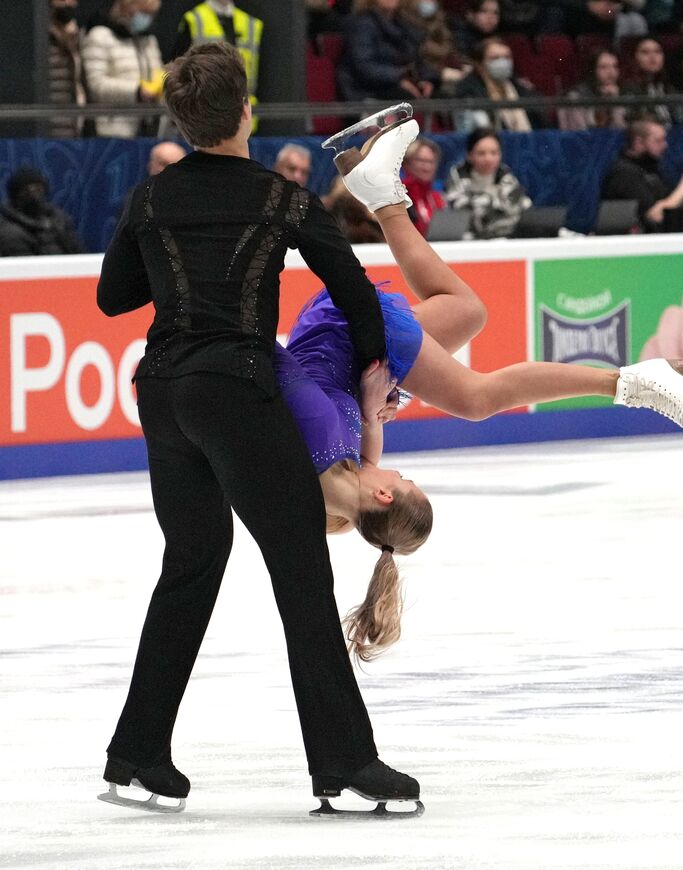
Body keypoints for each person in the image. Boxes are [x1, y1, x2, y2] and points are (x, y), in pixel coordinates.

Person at [94, 42, 418, 817]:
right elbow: (354, 292)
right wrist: (377, 373)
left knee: (194, 560)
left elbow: (113, 297)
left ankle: (136, 755)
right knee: (302, 566)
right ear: (247, 112)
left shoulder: (150, 198)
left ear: (182, 118)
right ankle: (343, 762)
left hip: (163, 392)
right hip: (232, 390)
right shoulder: (282, 199)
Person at [286, 117, 683, 660]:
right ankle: (382, 194)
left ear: (383, 494)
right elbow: (365, 453)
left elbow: (319, 419)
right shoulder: (340, 515)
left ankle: (638, 383)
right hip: (344, 353)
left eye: (405, 479)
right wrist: (372, 412)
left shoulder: (328, 476)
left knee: (477, 399)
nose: (398, 470)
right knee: (467, 313)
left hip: (341, 341)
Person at [81, 0, 164, 138]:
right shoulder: (100, 37)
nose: (147, 19)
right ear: (127, 8)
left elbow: (159, 72)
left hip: (148, 128)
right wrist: (137, 91)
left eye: (151, 14)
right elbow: (95, 85)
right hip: (111, 130)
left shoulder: (148, 40)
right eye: (143, 12)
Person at [602, 119, 683, 231]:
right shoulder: (623, 173)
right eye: (658, 141)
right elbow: (655, 216)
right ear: (639, 143)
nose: (665, 145)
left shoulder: (653, 168)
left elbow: (671, 203)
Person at [173, 0, 265, 121]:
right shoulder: (194, 19)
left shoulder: (252, 24)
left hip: (243, 109)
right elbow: (177, 69)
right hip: (204, 110)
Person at [337, 0, 439, 103]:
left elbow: (416, 58)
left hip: (396, 83)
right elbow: (364, 67)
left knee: (442, 95)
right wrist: (399, 79)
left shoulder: (403, 24)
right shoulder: (362, 24)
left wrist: (425, 79)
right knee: (405, 97)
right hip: (367, 91)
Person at [443, 128, 532, 239]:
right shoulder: (456, 178)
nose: (488, 159)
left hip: (509, 241)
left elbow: (525, 209)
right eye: (481, 153)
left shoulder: (506, 176)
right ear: (469, 155)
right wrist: (502, 210)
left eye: (494, 153)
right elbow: (470, 217)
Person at [455, 37, 548, 131]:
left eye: (507, 57)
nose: (503, 62)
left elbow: (544, 125)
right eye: (495, 58)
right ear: (480, 64)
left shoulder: (522, 89)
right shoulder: (469, 91)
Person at [0, 167, 84, 257]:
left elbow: (81, 255)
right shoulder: (10, 232)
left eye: (38, 189)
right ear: (15, 196)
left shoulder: (60, 221)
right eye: (26, 191)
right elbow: (28, 267)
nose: (34, 196)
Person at [558, 48, 628, 131]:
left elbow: (621, 130)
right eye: (603, 67)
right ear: (593, 70)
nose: (611, 72)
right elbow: (579, 132)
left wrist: (614, 100)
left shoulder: (622, 92)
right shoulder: (576, 96)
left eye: (615, 67)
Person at [48, 0, 87, 139]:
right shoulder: (39, 33)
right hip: (52, 126)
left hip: (73, 123)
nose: (71, 4)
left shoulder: (73, 32)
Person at [623, 37, 673, 126]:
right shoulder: (628, 88)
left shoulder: (669, 87)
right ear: (635, 57)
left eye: (657, 51)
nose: (653, 56)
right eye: (645, 52)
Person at [402, 136, 447, 234]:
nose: (427, 167)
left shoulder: (436, 197)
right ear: (407, 163)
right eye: (421, 161)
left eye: (431, 162)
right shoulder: (400, 195)